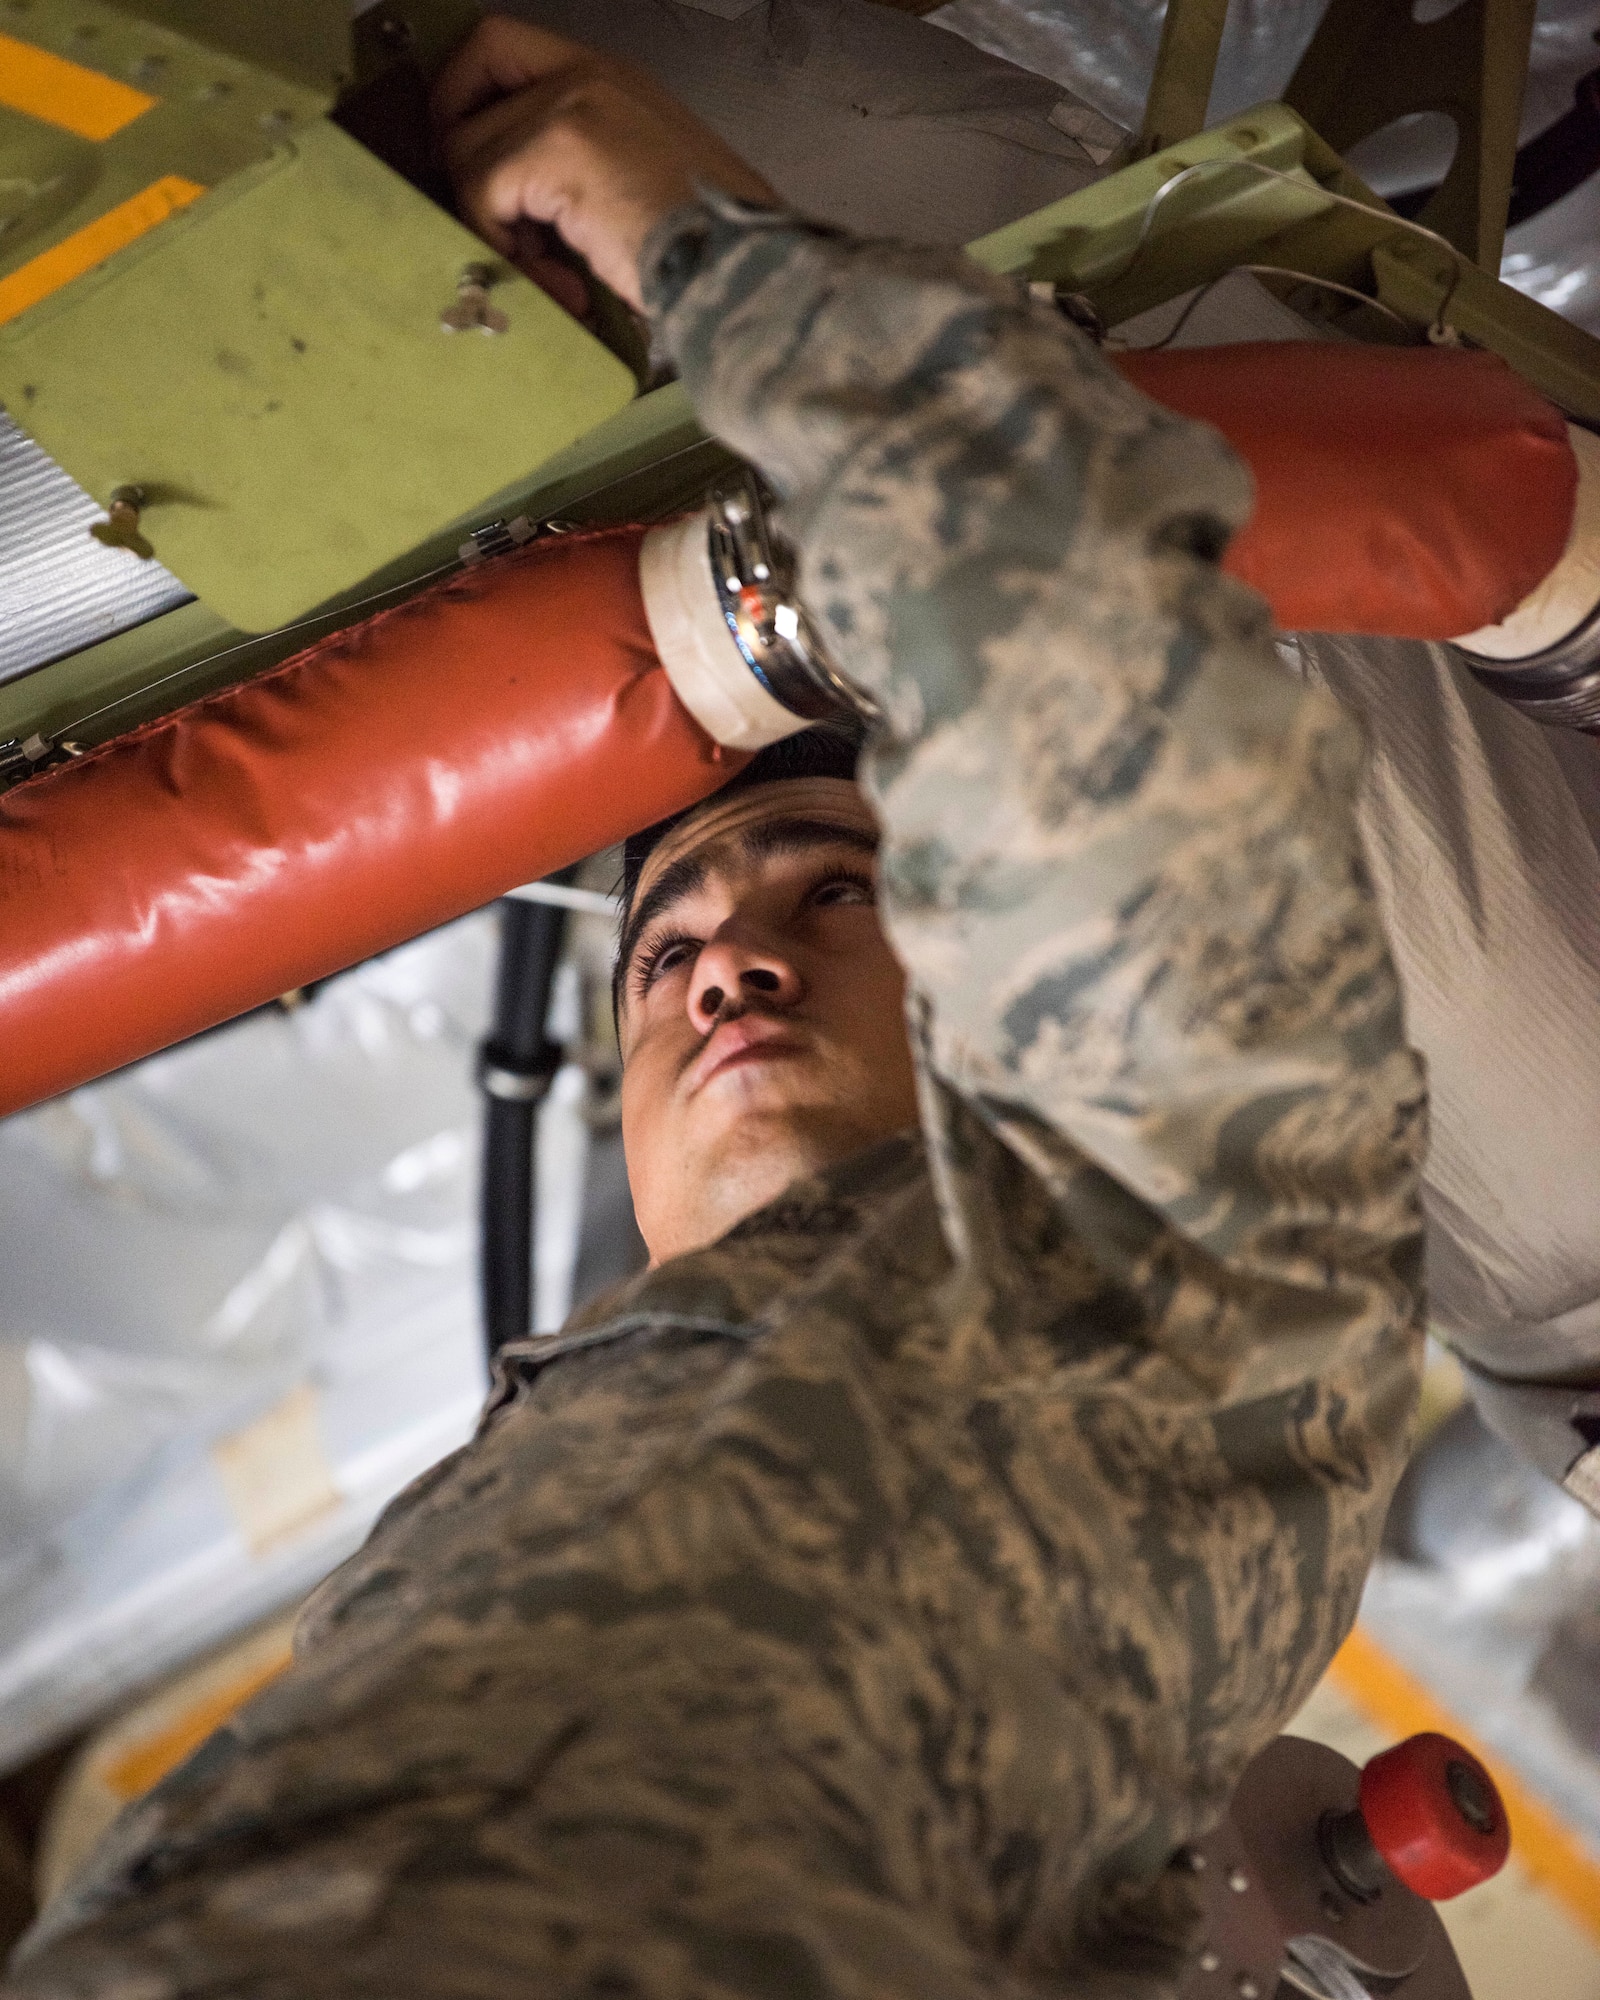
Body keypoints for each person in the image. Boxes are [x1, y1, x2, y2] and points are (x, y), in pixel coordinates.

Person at [5, 19, 1425, 1998]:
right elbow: (1084, 609)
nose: (722, 967)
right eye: (663, 951)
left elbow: (1073, 637)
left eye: (834, 890)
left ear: (997, 959)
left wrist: (708, 246)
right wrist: (700, 240)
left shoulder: (1139, 1283)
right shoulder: (1207, 1313)